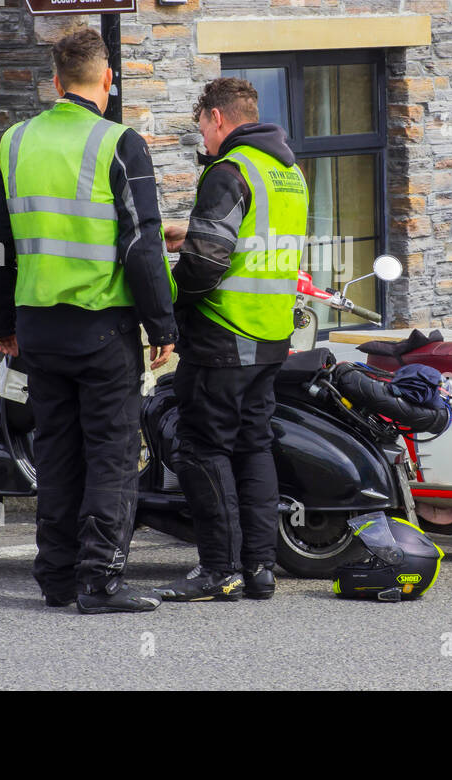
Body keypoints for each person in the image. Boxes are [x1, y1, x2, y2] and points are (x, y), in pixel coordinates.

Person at [0, 27, 176, 614]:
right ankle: (101, 582)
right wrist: (162, 326)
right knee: (111, 455)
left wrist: (1, 317)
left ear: (56, 83)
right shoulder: (119, 143)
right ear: (106, 80)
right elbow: (142, 245)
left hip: (38, 329)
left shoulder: (14, 142)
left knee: (57, 453)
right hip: (102, 329)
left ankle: (56, 580)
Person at [153, 77, 309, 602]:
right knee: (254, 446)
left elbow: (203, 266)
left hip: (223, 337)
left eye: (202, 126)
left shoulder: (229, 171)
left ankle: (219, 569)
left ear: (217, 119)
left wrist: (166, 306)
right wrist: (189, 228)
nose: (203, 138)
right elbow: (252, 243)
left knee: (200, 447)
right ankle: (260, 569)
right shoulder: (289, 173)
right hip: (270, 336)